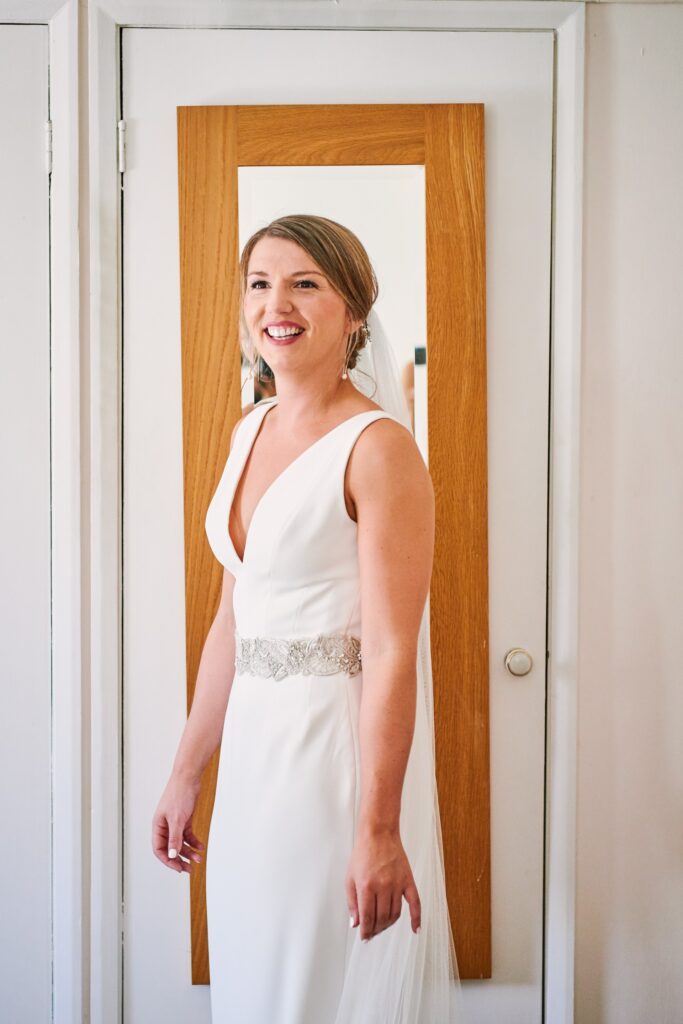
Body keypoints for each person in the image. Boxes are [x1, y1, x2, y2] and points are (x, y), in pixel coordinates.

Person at [152, 214, 464, 1022]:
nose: (274, 304)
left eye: (304, 283)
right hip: (253, 767)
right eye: (259, 283)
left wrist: (381, 827)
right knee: (255, 978)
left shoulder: (378, 446)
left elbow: (394, 649)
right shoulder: (248, 429)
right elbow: (232, 619)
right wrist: (187, 771)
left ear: (354, 311)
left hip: (331, 762)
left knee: (313, 985)